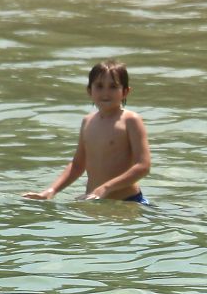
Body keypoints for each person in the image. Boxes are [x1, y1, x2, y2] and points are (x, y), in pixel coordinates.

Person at [26, 60, 152, 203]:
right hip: (94, 201)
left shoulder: (131, 120)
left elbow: (143, 166)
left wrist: (105, 188)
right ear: (89, 91)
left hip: (129, 202)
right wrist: (51, 190)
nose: (105, 92)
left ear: (125, 91)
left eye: (113, 87)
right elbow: (77, 165)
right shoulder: (88, 121)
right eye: (99, 86)